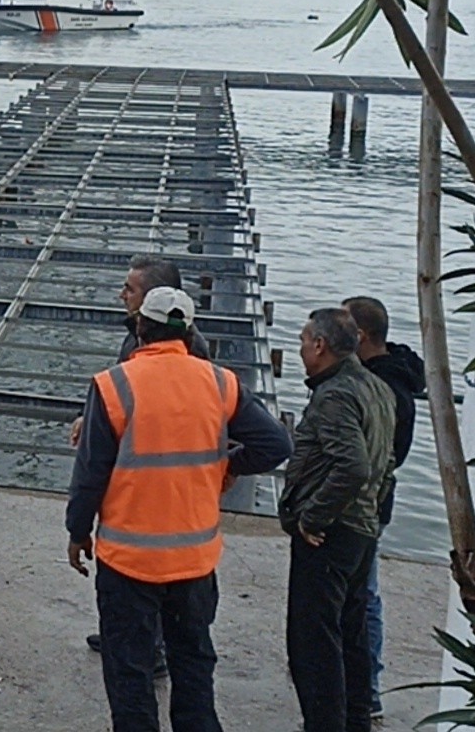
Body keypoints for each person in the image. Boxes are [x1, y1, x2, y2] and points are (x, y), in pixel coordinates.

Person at [68, 286, 291, 732]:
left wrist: (78, 531)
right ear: (189, 332)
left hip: (128, 560)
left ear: (139, 328)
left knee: (129, 670)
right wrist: (225, 465)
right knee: (193, 664)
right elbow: (276, 444)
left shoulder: (114, 386)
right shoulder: (221, 382)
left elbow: (91, 470)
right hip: (194, 560)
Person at [79, 254, 213, 658]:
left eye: (130, 289)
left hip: (163, 483)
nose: (121, 295)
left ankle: (148, 648)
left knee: (154, 568)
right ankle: (130, 634)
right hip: (147, 476)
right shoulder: (138, 337)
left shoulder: (191, 353)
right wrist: (89, 418)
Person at [282, 308, 397, 732]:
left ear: (319, 345)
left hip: (330, 535)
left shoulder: (335, 395)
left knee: (313, 644)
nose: (299, 349)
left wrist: (312, 517)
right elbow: (384, 467)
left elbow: (353, 466)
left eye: (302, 340)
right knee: (351, 637)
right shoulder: (377, 387)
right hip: (362, 529)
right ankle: (356, 721)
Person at [341, 295, 427, 719]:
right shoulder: (393, 379)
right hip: (373, 501)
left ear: (360, 335)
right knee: (359, 592)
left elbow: (373, 457)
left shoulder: (385, 389)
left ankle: (366, 686)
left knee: (363, 594)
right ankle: (356, 676)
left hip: (364, 507)